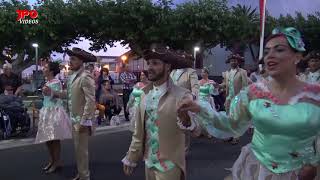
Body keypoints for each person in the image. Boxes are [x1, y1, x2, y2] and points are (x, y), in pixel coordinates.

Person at [178, 27, 320, 180]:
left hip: (303, 173)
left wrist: (314, 162)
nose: (270, 56)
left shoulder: (315, 95)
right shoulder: (253, 93)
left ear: (297, 56)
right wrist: (200, 108)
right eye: (266, 52)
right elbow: (232, 124)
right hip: (259, 171)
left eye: (279, 50)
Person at [122, 45, 200, 180]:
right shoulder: (144, 95)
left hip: (170, 165)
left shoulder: (182, 95)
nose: (149, 68)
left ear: (167, 66)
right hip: (149, 162)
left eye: (155, 63)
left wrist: (187, 120)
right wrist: (131, 156)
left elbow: (197, 130)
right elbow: (139, 132)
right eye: (149, 63)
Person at [44, 47, 96, 180]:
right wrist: (53, 93)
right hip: (74, 119)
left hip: (82, 121)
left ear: (81, 61)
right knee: (78, 150)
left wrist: (85, 121)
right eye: (70, 59)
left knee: (81, 151)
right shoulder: (73, 76)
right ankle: (81, 172)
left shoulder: (86, 76)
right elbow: (68, 95)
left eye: (73, 59)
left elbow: (91, 101)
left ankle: (84, 176)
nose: (70, 62)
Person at [35, 62, 72, 174]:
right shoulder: (48, 82)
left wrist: (50, 92)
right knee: (48, 139)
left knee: (54, 139)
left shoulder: (56, 82)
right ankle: (52, 160)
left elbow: (57, 97)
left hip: (54, 112)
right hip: (47, 111)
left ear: (51, 71)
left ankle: (57, 162)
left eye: (45, 67)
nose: (43, 68)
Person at [170, 55, 199, 155]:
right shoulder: (173, 72)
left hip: (184, 103)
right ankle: (174, 148)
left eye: (183, 59)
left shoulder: (191, 72)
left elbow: (195, 87)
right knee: (173, 126)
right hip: (172, 102)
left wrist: (192, 97)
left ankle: (184, 150)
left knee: (183, 127)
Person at [221, 53, 248, 145]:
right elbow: (225, 84)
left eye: (235, 60)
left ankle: (236, 136)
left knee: (236, 117)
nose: (233, 62)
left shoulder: (242, 72)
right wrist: (218, 85)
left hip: (238, 98)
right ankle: (229, 135)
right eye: (232, 60)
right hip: (229, 98)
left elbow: (245, 86)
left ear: (238, 62)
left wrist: (243, 99)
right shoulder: (227, 73)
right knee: (228, 117)